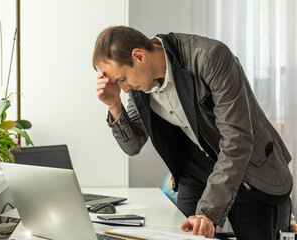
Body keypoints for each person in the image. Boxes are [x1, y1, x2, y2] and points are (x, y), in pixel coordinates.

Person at [92, 26, 292, 239]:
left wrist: (207, 212)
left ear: (139, 56)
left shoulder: (210, 57)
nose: (124, 89)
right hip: (194, 167)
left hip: (247, 167)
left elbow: (237, 140)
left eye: (121, 78)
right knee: (183, 236)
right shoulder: (140, 85)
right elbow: (133, 145)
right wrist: (114, 106)